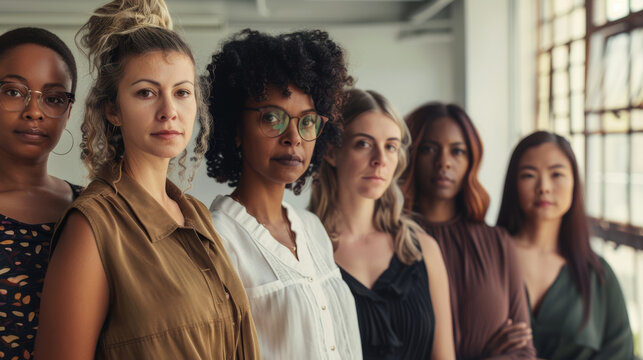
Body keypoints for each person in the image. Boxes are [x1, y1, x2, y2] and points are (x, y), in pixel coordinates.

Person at [34, 1, 259, 359]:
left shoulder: (197, 216)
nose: (169, 110)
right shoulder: (93, 226)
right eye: (146, 92)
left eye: (182, 92)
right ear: (113, 110)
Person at [206, 29, 361, 359]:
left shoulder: (313, 230)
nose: (294, 137)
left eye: (307, 122)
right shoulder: (216, 238)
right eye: (272, 118)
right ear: (236, 129)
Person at [309, 89, 455, 360]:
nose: (380, 159)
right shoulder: (304, 250)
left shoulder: (423, 249)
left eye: (390, 146)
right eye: (363, 144)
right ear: (331, 151)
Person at [400, 102, 536, 359]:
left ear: (472, 160)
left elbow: (522, 350)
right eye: (429, 149)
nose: (444, 163)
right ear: (410, 154)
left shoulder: (498, 243)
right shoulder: (390, 243)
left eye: (457, 151)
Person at [496, 131, 634, 360]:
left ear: (575, 184)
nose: (544, 187)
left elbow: (621, 353)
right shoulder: (487, 259)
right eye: (529, 175)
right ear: (513, 184)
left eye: (557, 174)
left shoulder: (597, 275)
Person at [0, 27, 82, 358]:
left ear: (68, 112)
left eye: (53, 98)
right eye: (14, 92)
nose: (34, 111)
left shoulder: (94, 209)